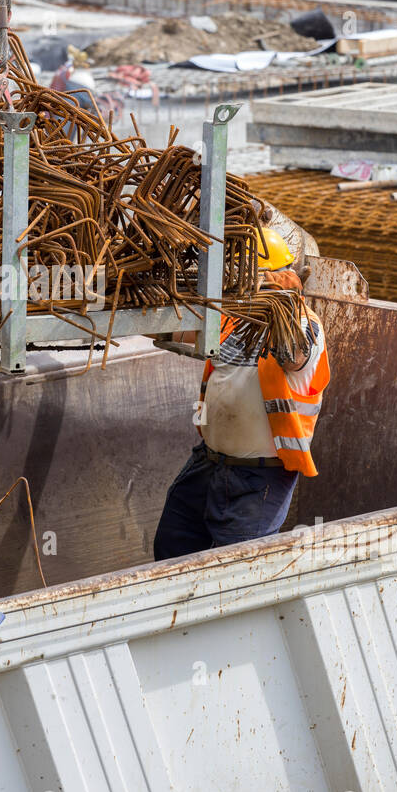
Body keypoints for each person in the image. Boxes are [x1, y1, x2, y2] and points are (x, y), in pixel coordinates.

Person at [153, 228, 330, 561]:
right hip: (207, 463)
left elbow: (294, 357)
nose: (232, 285)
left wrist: (283, 306)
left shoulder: (306, 326)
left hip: (257, 480)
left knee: (232, 571)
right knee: (171, 550)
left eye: (241, 276)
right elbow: (168, 329)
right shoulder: (230, 321)